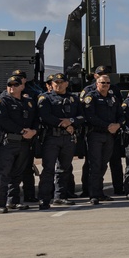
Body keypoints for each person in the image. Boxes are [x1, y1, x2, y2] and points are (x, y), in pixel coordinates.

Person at [36, 74, 80, 209]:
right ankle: (44, 198)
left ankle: (60, 196)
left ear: (66, 83)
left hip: (68, 138)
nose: (58, 85)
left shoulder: (73, 98)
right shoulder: (45, 98)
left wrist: (72, 121)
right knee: (48, 169)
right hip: (51, 138)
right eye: (56, 82)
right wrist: (65, 124)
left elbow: (82, 115)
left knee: (64, 169)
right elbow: (45, 116)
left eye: (61, 82)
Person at [0, 76, 36, 213]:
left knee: (17, 174)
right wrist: (22, 131)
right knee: (4, 174)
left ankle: (14, 201)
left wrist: (34, 131)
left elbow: (35, 118)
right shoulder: (1, 101)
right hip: (8, 142)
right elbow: (3, 120)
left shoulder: (28, 101)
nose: (12, 87)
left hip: (23, 142)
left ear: (22, 86)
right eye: (9, 85)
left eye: (15, 84)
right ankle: (0, 204)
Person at [82, 74, 123, 205]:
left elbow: (121, 115)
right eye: (102, 83)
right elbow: (90, 117)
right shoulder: (91, 97)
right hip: (96, 135)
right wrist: (107, 126)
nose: (105, 85)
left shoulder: (113, 98)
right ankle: (93, 194)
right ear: (97, 83)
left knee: (103, 165)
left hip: (110, 136)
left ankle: (100, 193)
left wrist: (118, 125)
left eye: (107, 83)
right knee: (94, 165)